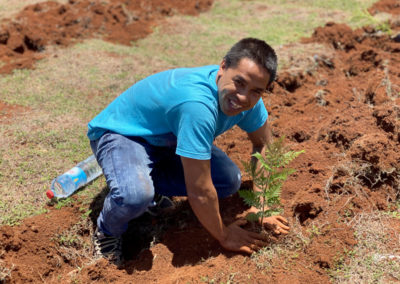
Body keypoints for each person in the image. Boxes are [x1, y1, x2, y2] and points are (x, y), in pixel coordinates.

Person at [87, 37, 290, 264]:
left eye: (256, 91)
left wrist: (262, 202)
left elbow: (264, 145)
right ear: (223, 67)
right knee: (134, 196)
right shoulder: (198, 106)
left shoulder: (248, 102)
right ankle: (107, 232)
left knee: (228, 180)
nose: (243, 97)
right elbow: (200, 191)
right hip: (124, 136)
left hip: (167, 142)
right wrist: (224, 234)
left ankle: (149, 183)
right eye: (239, 83)